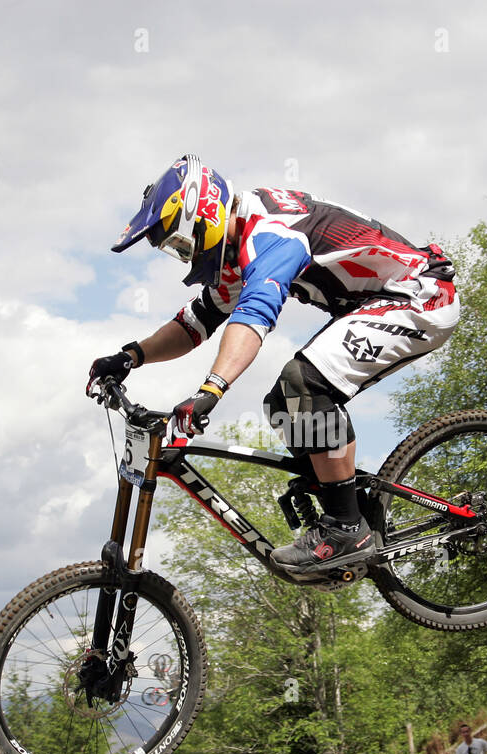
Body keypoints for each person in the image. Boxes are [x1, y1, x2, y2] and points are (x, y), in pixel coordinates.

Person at [89, 156, 460, 576]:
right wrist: (129, 356)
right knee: (282, 402)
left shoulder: (269, 235)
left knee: (304, 385)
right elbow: (195, 323)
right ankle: (338, 504)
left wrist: (212, 389)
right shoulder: (238, 244)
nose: (183, 256)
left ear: (203, 214)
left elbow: (255, 315)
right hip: (380, 301)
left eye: (180, 244)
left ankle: (346, 529)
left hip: (419, 297)